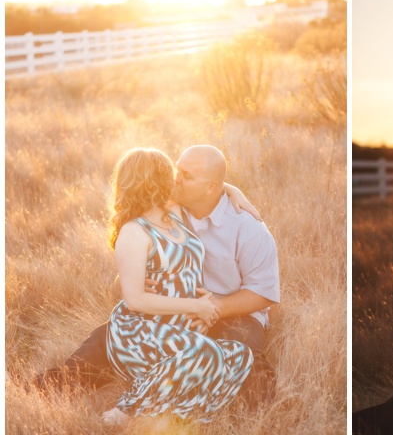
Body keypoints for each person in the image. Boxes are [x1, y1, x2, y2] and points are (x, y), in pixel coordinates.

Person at [34, 145, 280, 411]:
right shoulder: (172, 207)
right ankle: (45, 391)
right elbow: (136, 257)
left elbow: (263, 292)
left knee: (242, 361)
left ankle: (265, 413)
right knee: (108, 338)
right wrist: (126, 284)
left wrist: (215, 309)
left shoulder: (249, 228)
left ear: (211, 188)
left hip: (234, 313)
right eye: (177, 169)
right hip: (174, 306)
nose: (176, 178)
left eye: (186, 175)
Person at [101, 147, 254, 425]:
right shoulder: (134, 231)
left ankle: (169, 418)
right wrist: (197, 306)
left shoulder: (172, 212)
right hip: (140, 332)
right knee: (207, 354)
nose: (176, 178)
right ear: (152, 182)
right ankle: (125, 412)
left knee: (239, 355)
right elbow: (134, 300)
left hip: (178, 330)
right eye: (169, 173)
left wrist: (230, 189)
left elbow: (209, 183)